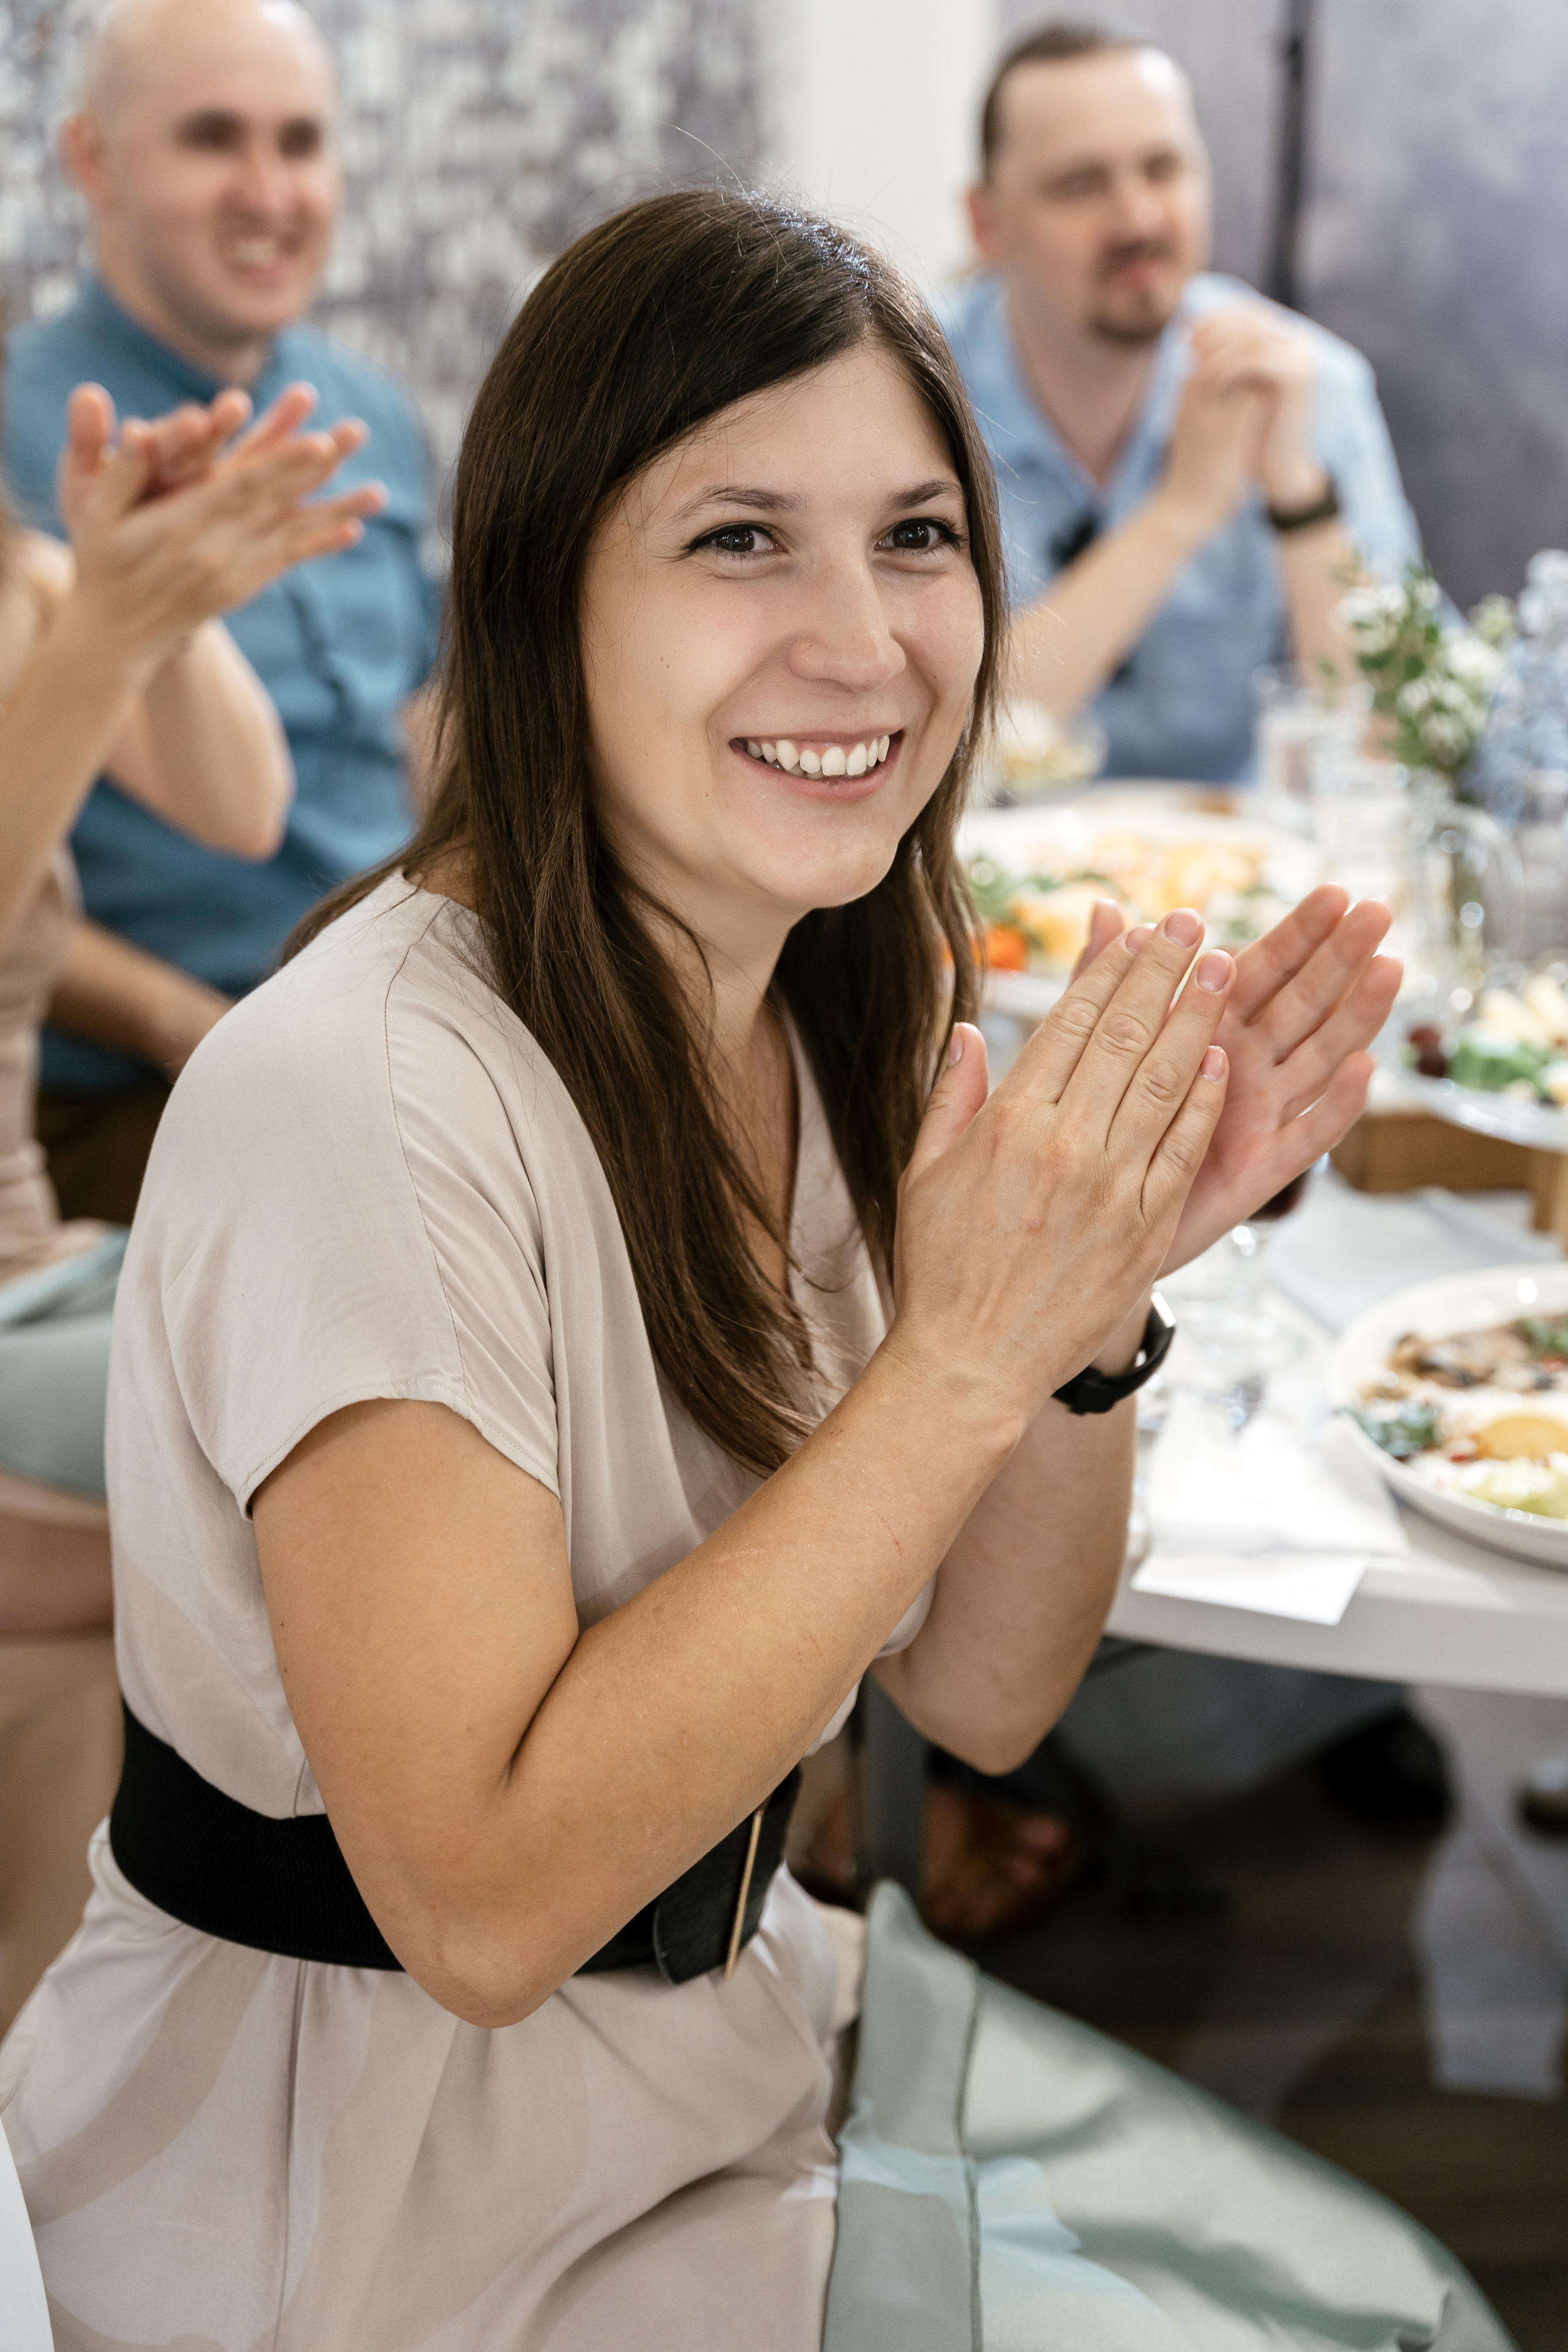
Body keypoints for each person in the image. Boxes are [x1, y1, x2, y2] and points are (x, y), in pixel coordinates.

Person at [0, 191, 1506, 2352]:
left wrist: (1090, 1318)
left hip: (728, 2048)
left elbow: (985, 1694)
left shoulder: (849, 1005)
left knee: (1406, 2301)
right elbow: (491, 1908)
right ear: (541, 603)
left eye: (916, 535)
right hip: (370, 2195)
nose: (867, 637)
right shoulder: (361, 1092)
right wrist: (970, 1352)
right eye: (738, 541)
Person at [0, 373, 381, 2037]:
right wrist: (96, 646)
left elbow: (238, 806)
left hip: (38, 1281)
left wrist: (148, 589)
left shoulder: (19, 573)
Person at [2, 0, 440, 1226]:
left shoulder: (367, 414)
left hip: (385, 1023)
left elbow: (425, 728)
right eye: (211, 139)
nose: (269, 190)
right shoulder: (24, 442)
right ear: (92, 162)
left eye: (299, 143)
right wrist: (190, 1027)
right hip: (141, 1090)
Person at [939, 17, 1420, 782]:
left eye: (1162, 169)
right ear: (986, 223)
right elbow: (948, 738)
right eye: (1081, 185)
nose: (1138, 219)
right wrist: (1178, 514)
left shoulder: (1311, 386)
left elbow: (1389, 749)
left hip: (1238, 879)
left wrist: (1296, 496)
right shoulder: (911, 393)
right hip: (987, 875)